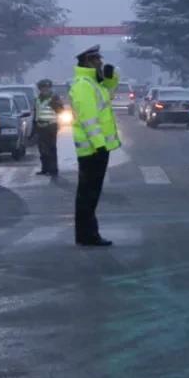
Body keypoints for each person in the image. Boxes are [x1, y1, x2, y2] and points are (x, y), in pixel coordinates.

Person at [70, 45, 121, 247]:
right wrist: (99, 146)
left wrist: (110, 77)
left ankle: (87, 234)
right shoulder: (84, 85)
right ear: (87, 61)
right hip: (92, 150)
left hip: (96, 149)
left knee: (91, 194)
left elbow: (110, 93)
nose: (101, 62)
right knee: (88, 195)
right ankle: (87, 235)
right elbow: (88, 119)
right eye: (97, 59)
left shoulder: (94, 83)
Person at [34, 79, 65, 178]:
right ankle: (45, 169)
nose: (45, 89)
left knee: (51, 148)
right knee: (42, 149)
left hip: (51, 126)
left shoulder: (54, 97)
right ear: (40, 89)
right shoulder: (38, 98)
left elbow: (61, 110)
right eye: (43, 87)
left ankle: (53, 169)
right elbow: (36, 112)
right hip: (40, 126)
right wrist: (34, 124)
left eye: (46, 87)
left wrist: (55, 105)